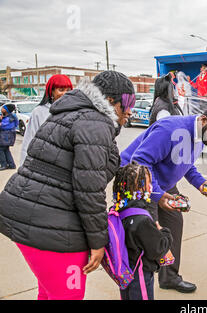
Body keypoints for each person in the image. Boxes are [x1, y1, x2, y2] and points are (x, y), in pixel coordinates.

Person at [0, 70, 135, 300]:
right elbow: (89, 190)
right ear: (110, 101)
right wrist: (97, 241)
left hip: (29, 215)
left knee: (50, 292)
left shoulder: (73, 114)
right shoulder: (94, 123)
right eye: (127, 103)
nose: (130, 110)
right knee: (67, 296)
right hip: (51, 226)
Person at [120, 105, 207, 294]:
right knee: (149, 235)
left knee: (174, 223)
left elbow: (185, 163)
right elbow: (139, 160)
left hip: (159, 181)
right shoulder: (169, 130)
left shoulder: (200, 136)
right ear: (204, 120)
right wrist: (157, 195)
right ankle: (138, 287)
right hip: (136, 180)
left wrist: (201, 184)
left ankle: (169, 277)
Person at [112, 162, 173, 300]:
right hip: (140, 274)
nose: (151, 186)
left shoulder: (119, 210)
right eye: (148, 182)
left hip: (125, 271)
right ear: (141, 188)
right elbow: (158, 248)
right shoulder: (142, 220)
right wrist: (164, 232)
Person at [20, 74, 73, 166]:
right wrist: (23, 166)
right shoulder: (39, 112)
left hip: (67, 166)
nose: (65, 93)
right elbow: (29, 140)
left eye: (68, 90)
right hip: (44, 165)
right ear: (51, 91)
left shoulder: (74, 111)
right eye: (61, 90)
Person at [0, 104, 19, 170]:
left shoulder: (9, 118)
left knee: (1, 149)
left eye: (3, 108)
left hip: (6, 136)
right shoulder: (10, 116)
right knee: (6, 150)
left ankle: (4, 164)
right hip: (7, 136)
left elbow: (2, 125)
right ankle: (11, 164)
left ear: (6, 110)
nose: (1, 109)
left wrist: (0, 120)